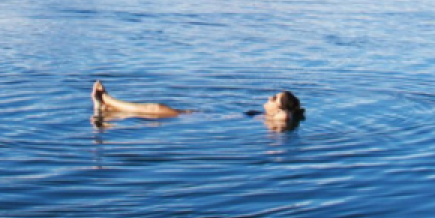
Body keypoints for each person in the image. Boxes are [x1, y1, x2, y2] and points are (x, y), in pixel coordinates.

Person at [91, 80, 306, 130]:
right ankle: (108, 107)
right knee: (155, 112)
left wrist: (285, 111)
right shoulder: (271, 115)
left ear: (280, 109)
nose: (268, 98)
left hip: (208, 120)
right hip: (208, 116)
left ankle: (109, 103)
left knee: (156, 111)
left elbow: (286, 118)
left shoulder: (280, 117)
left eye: (274, 98)